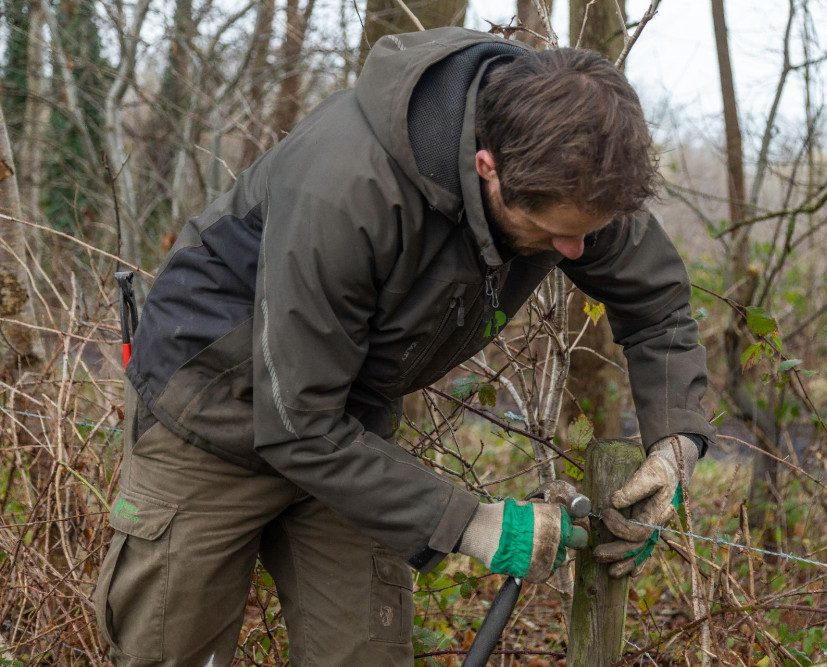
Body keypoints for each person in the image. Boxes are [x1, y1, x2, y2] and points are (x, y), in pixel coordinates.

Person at [93, 26, 715, 666]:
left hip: (345, 432)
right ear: (488, 169)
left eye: (588, 233)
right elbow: (295, 425)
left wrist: (676, 442)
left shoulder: (578, 168)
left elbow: (657, 302)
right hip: (209, 412)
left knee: (363, 655)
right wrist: (473, 523)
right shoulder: (346, 186)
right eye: (552, 233)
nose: (574, 252)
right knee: (173, 654)